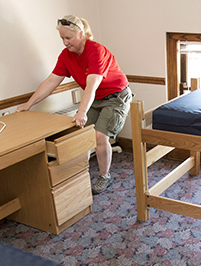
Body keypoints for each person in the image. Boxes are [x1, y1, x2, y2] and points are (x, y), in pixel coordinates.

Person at [17, 15, 132, 194]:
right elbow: (51, 82)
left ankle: (104, 176)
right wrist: (28, 104)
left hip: (115, 97)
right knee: (82, 135)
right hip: (96, 98)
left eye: (68, 38)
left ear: (81, 33)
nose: (65, 43)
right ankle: (80, 174)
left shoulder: (96, 51)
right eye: (62, 38)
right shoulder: (66, 56)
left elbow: (92, 85)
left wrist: (82, 112)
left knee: (100, 136)